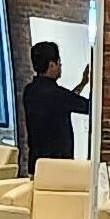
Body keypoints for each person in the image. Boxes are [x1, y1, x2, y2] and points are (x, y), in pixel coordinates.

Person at [18, 41, 91, 171]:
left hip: (36, 164)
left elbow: (67, 100)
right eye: (59, 62)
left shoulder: (29, 91)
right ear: (52, 65)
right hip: (59, 165)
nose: (60, 66)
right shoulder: (58, 95)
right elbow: (88, 107)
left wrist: (82, 84)